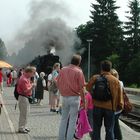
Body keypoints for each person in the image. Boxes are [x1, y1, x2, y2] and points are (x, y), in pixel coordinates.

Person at [86, 60, 124, 140]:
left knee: (96, 128)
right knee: (109, 129)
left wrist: (93, 98)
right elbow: (119, 96)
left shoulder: (95, 78)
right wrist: (119, 106)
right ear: (110, 69)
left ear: (101, 68)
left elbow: (87, 89)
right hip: (110, 108)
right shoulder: (115, 80)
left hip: (96, 106)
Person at [57, 54, 86, 140]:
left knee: (63, 119)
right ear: (79, 62)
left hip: (65, 98)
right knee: (73, 121)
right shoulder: (79, 72)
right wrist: (84, 102)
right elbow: (81, 88)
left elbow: (57, 82)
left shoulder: (62, 70)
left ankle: (61, 138)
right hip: (75, 98)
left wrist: (62, 91)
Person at [17, 66, 36, 133]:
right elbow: (25, 91)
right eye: (33, 73)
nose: (34, 74)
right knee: (24, 113)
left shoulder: (26, 78)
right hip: (23, 97)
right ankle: (21, 128)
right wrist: (32, 86)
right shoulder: (24, 79)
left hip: (25, 98)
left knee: (26, 113)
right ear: (29, 72)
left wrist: (30, 84)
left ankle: (24, 126)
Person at [110, 69, 124, 140]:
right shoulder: (121, 82)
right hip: (120, 106)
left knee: (114, 124)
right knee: (115, 123)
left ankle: (118, 137)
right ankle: (116, 137)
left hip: (115, 107)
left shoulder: (113, 83)